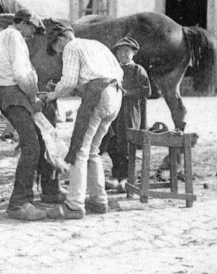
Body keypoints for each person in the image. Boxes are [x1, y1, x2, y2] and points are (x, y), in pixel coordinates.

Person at [40, 22, 124, 220]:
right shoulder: (96, 45)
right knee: (92, 150)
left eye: (57, 50)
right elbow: (111, 74)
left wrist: (52, 95)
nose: (60, 54)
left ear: (61, 40)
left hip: (99, 95)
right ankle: (98, 200)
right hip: (115, 96)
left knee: (79, 150)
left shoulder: (71, 47)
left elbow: (68, 81)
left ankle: (75, 205)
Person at [0, 9, 57, 221]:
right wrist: (34, 96)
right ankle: (19, 203)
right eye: (32, 30)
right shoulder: (15, 37)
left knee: (40, 138)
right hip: (12, 93)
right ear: (24, 23)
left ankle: (49, 191)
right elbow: (21, 73)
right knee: (31, 146)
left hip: (8, 92)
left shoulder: (2, 36)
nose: (32, 36)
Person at [103, 37, 151, 193]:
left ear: (133, 53)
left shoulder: (138, 70)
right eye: (119, 52)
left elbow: (147, 91)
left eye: (126, 51)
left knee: (126, 144)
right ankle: (116, 177)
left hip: (130, 112)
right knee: (113, 142)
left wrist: (128, 93)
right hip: (114, 112)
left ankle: (127, 178)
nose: (123, 55)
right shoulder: (112, 69)